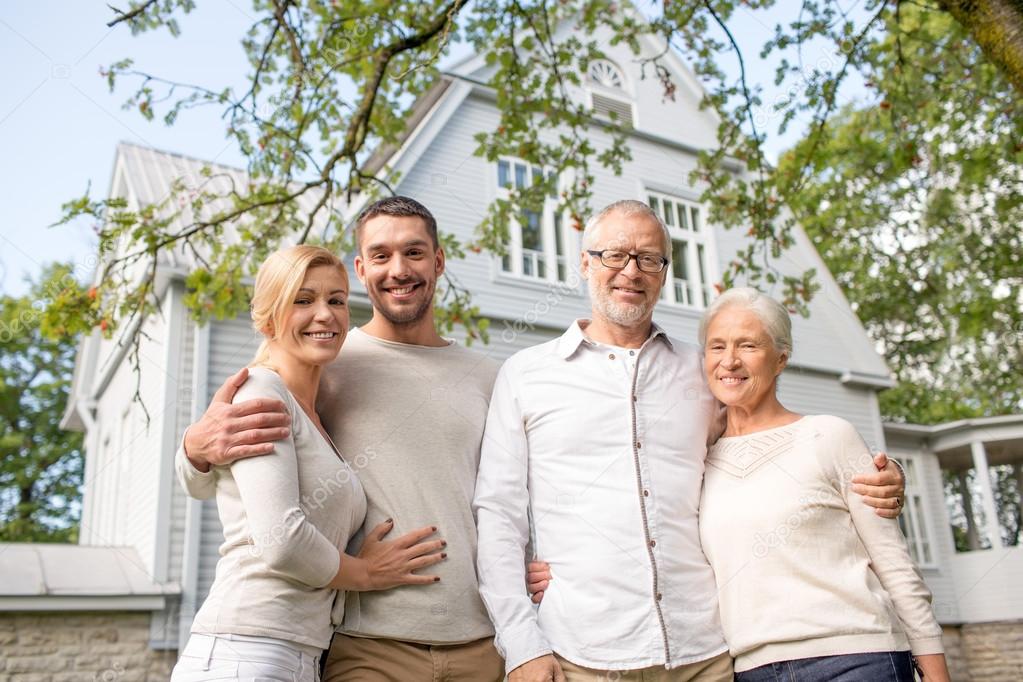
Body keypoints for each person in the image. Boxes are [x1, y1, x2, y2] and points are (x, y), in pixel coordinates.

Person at [474, 200, 906, 682]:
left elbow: (766, 444)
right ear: (584, 262)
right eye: (614, 255)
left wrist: (876, 474)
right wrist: (520, 643)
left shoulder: (704, 371)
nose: (631, 271)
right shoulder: (527, 375)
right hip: (582, 652)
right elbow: (498, 514)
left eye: (649, 258)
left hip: (707, 652)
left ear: (664, 272)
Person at [176, 197, 505, 681]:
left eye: (414, 253)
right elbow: (229, 478)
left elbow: (516, 495)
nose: (398, 269)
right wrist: (193, 450)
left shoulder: (488, 376)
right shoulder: (320, 359)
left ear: (438, 261)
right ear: (362, 268)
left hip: (477, 639)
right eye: (380, 255)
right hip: (356, 642)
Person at [694, 287, 949, 681]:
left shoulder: (830, 436)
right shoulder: (699, 461)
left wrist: (935, 671)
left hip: (858, 657)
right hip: (752, 669)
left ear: (780, 359)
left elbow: (895, 565)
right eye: (717, 346)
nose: (730, 361)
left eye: (747, 345)